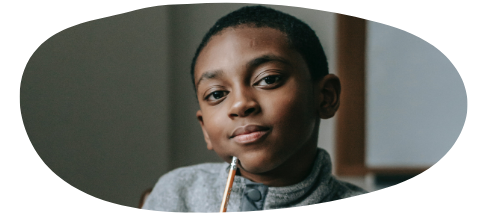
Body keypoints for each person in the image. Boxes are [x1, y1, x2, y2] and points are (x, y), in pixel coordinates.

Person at [142, 5, 367, 212]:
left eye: (268, 79)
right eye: (217, 94)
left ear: (326, 97)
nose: (240, 105)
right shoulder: (177, 192)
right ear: (204, 129)